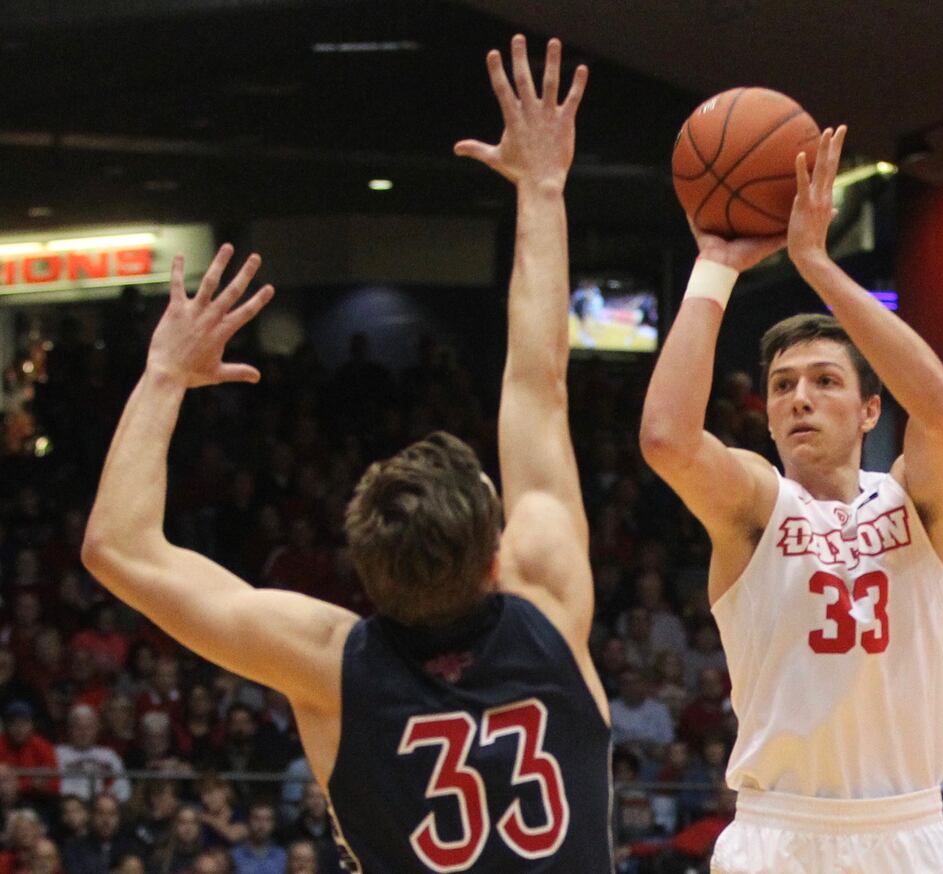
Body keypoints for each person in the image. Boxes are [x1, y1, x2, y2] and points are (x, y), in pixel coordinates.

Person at [78, 37, 611, 872]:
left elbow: (117, 548)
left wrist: (162, 376)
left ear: (365, 573)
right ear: (494, 557)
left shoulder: (328, 662)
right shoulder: (548, 598)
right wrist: (542, 189)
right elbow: (538, 385)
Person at [642, 126, 943, 873]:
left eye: (826, 381)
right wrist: (714, 267)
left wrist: (817, 266)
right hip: (778, 835)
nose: (800, 398)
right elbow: (666, 438)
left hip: (906, 829)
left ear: (869, 411)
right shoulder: (760, 505)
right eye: (784, 385)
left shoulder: (916, 505)